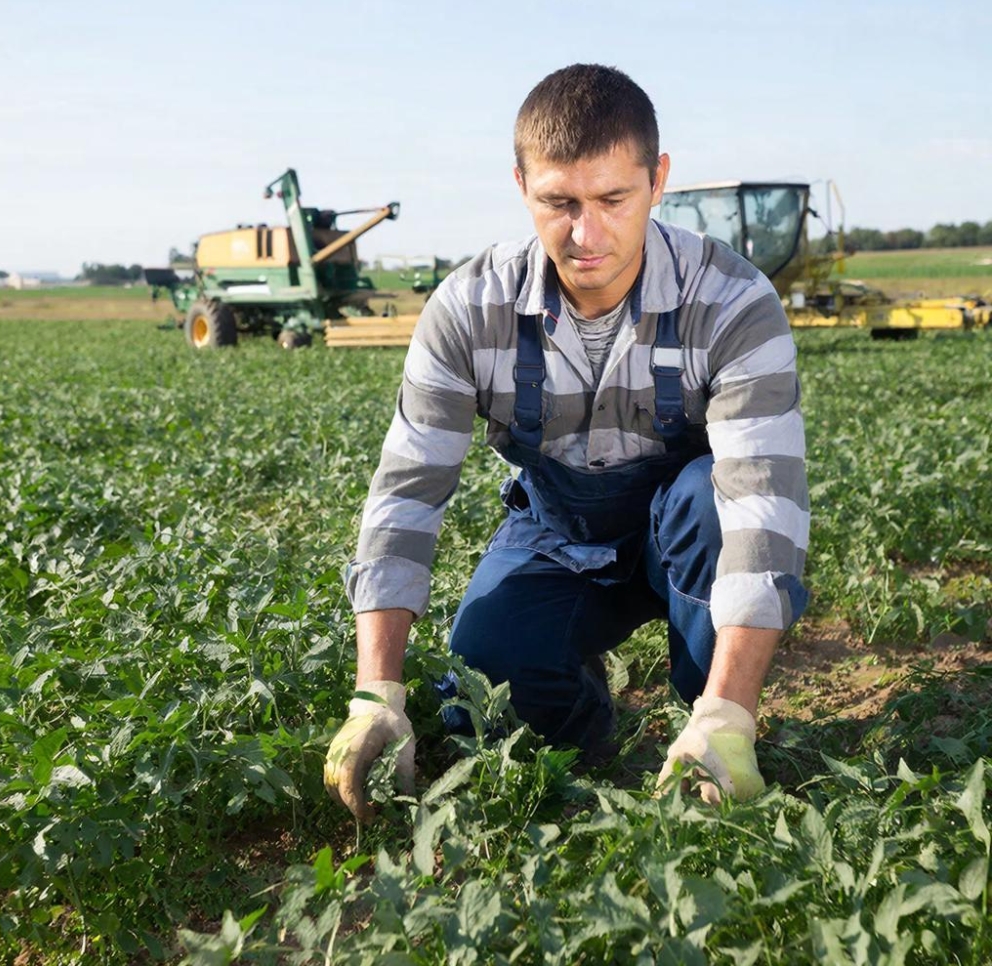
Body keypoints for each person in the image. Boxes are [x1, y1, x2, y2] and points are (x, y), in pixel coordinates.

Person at [325, 63, 809, 818]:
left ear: (658, 180)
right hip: (557, 535)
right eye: (559, 203)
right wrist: (376, 692)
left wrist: (729, 712)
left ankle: (713, 721)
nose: (586, 235)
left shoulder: (732, 301)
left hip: (687, 535)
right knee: (484, 679)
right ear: (522, 187)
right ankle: (587, 727)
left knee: (709, 504)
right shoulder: (470, 311)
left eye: (614, 199)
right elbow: (407, 492)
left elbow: (762, 502)